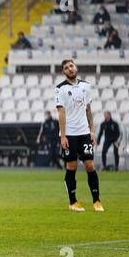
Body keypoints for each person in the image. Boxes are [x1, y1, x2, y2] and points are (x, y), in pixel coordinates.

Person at [54, 59, 104, 212]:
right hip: (69, 134)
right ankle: (73, 202)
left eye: (71, 66)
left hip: (84, 132)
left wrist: (92, 130)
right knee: (72, 166)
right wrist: (63, 136)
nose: (70, 69)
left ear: (75, 67)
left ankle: (96, 201)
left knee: (89, 165)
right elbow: (61, 113)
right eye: (66, 68)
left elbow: (88, 109)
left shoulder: (86, 86)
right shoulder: (60, 89)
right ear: (63, 72)